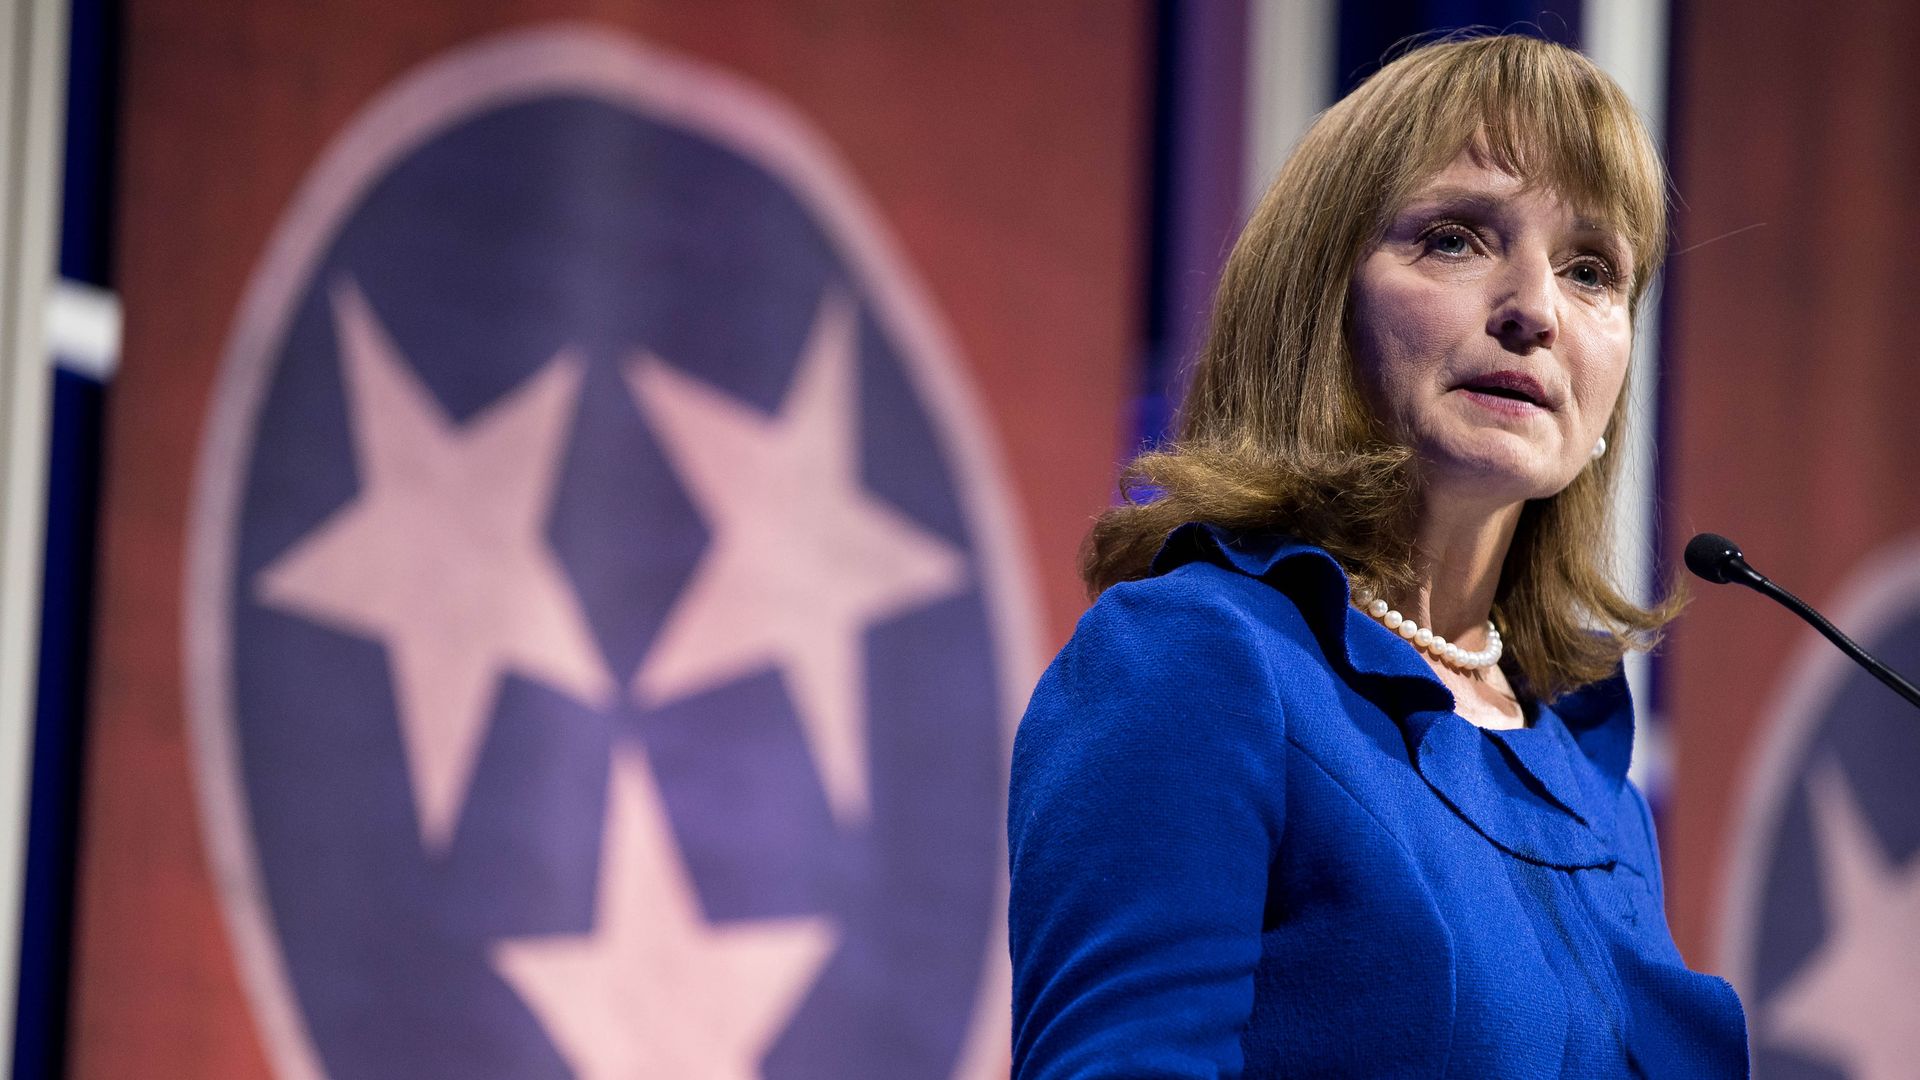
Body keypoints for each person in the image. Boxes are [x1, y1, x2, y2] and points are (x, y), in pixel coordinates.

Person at [1007, 33, 1749, 1078]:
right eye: (1455, 238)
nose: (1534, 310)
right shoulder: (1194, 662)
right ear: (1321, 307)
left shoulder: (1588, 780)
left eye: (1593, 271)